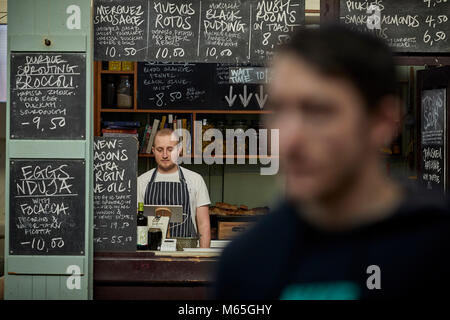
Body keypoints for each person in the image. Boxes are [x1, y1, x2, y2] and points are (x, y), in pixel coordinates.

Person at [213, 25, 450, 299]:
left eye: (318, 111)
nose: (288, 139)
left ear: (383, 122)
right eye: (277, 109)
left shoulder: (437, 242)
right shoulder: (246, 262)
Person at [137, 128, 211, 248]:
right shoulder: (141, 181)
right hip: (151, 253)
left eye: (170, 149)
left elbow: (203, 225)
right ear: (153, 151)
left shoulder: (195, 180)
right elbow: (137, 222)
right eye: (160, 150)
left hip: (187, 251)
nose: (165, 155)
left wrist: (203, 257)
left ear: (179, 150)